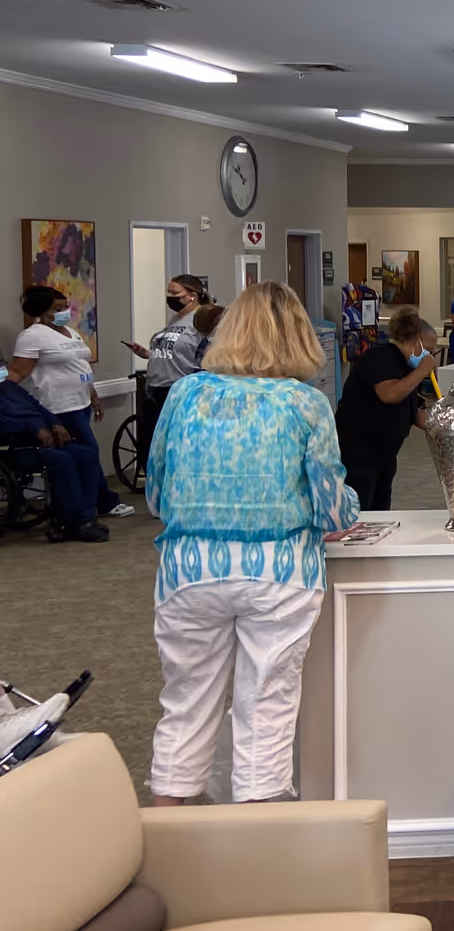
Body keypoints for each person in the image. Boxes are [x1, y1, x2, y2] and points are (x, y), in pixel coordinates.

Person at [144, 280, 359, 806]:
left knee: (186, 704)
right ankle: (255, 860)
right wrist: (346, 505)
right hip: (279, 574)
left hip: (189, 570)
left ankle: (167, 846)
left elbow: (156, 491)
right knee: (266, 705)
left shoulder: (184, 393)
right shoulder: (306, 404)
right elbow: (333, 511)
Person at [10, 286, 131, 517]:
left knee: (87, 453)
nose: (65, 311)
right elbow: (18, 371)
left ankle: (94, 502)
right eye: (58, 308)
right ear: (43, 311)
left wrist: (93, 395)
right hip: (57, 406)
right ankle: (102, 502)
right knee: (89, 451)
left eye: (65, 306)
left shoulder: (70, 332)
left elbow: (79, 366)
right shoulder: (32, 336)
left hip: (80, 402)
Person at [334, 305, 439, 511]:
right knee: (359, 511)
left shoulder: (407, 369)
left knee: (380, 512)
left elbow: (416, 412)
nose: (430, 355)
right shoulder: (380, 357)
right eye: (428, 349)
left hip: (385, 455)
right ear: (414, 340)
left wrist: (446, 431)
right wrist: (423, 369)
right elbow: (390, 394)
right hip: (359, 453)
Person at [0, 374, 109, 542]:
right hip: (19, 448)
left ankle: (87, 518)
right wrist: (33, 430)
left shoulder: (10, 388)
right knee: (62, 460)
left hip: (46, 440)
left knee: (87, 455)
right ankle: (71, 522)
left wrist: (55, 423)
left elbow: (38, 407)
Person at [124, 273, 213, 474]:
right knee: (154, 444)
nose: (170, 296)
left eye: (175, 293)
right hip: (156, 389)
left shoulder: (203, 318)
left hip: (181, 389)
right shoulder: (175, 319)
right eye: (169, 292)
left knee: (176, 445)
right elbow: (174, 350)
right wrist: (147, 353)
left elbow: (206, 355)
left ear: (193, 295)